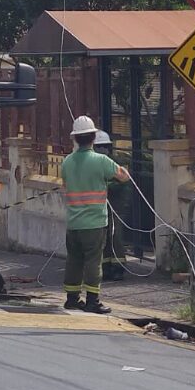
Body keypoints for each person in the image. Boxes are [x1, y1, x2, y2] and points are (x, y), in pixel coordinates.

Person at [60, 116, 129, 314]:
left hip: (73, 223)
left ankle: (72, 299)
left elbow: (65, 185)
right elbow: (123, 177)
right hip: (94, 222)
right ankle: (92, 300)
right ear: (93, 137)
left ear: (75, 138)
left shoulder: (67, 162)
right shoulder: (101, 161)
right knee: (93, 260)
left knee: (73, 260)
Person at [94, 131, 128, 282]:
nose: (102, 150)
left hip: (117, 204)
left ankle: (118, 267)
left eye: (104, 147)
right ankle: (106, 267)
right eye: (98, 147)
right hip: (101, 205)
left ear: (109, 148)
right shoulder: (95, 163)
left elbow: (122, 182)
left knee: (116, 235)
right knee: (104, 237)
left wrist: (105, 185)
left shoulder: (117, 163)